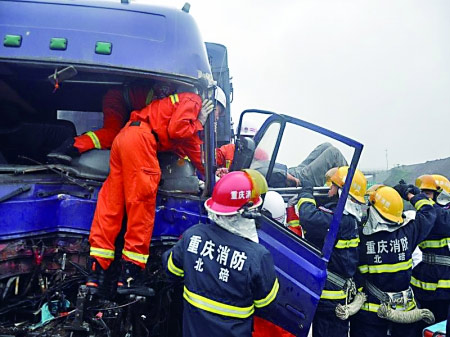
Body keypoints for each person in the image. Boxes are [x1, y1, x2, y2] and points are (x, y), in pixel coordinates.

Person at [86, 89, 214, 293]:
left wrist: (214, 175)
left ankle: (96, 275)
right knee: (141, 206)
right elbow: (177, 130)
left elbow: (197, 154)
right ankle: (130, 277)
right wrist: (199, 120)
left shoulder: (183, 116)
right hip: (141, 140)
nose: (214, 122)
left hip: (125, 137)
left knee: (111, 206)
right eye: (217, 116)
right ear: (213, 106)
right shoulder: (194, 100)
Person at [162, 169, 279, 337]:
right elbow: (267, 305)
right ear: (247, 213)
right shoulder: (258, 257)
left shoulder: (192, 236)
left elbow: (171, 270)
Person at [350, 184, 437, 337]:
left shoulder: (360, 235)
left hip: (371, 314)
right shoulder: (410, 230)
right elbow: (429, 212)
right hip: (405, 311)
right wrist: (412, 194)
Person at [294, 166, 367, 337]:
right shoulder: (352, 219)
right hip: (338, 296)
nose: (329, 190)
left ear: (341, 191)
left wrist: (306, 192)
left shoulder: (338, 220)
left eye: (333, 186)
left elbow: (308, 217)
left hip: (330, 299)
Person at [410, 175, 450, 325]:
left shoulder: (443, 215)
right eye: (423, 193)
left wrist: (417, 199)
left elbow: (441, 221)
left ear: (441, 195)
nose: (424, 198)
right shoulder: (425, 215)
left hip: (445, 289)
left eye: (428, 194)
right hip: (424, 284)